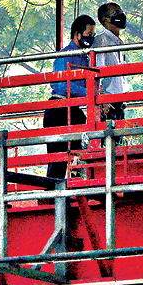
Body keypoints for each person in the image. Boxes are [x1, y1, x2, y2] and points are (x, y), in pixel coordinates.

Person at [45, 14, 96, 179]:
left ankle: (77, 183)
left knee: (82, 149)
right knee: (58, 157)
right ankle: (54, 190)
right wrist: (89, 92)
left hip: (73, 107)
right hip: (59, 107)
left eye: (93, 35)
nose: (91, 38)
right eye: (89, 34)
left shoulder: (85, 58)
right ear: (77, 34)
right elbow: (60, 83)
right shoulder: (65, 54)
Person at [92, 1, 129, 122]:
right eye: (116, 13)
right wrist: (102, 99)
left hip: (120, 101)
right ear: (105, 20)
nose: (121, 15)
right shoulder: (101, 41)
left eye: (121, 12)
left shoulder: (119, 42)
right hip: (108, 103)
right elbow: (97, 72)